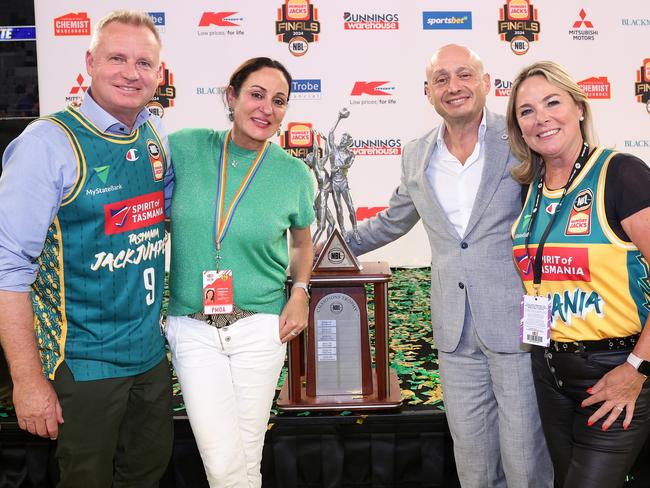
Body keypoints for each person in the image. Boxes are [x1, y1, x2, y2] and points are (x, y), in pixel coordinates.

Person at [346, 44, 552, 487]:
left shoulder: (520, 138)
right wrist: (331, 247)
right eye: (442, 79)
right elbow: (393, 220)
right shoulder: (416, 155)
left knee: (525, 457)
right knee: (473, 459)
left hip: (516, 325)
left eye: (464, 75)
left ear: (485, 82)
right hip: (454, 334)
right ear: (427, 91)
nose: (453, 87)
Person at [0, 10, 173, 487]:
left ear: (159, 75)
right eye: (117, 57)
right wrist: (28, 382)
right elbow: (8, 272)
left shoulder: (154, 137)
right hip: (83, 364)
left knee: (145, 475)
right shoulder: (47, 144)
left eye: (144, 63)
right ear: (90, 62)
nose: (130, 72)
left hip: (149, 360)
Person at [165, 57, 314, 488]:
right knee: (222, 456)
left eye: (279, 100)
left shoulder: (293, 174)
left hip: (261, 328)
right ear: (231, 97)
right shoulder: (187, 147)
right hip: (192, 326)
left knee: (247, 453)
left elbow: (302, 243)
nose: (267, 108)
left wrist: (300, 291)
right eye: (256, 94)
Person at [508, 60, 650, 488]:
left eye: (553, 102)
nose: (541, 118)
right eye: (526, 111)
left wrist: (635, 370)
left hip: (615, 370)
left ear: (581, 108)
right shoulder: (528, 187)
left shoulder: (622, 174)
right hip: (550, 373)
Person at [328, 108, 361, 243]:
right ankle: (343, 232)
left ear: (348, 142)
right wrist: (339, 118)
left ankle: (355, 231)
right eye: (342, 138)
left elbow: (348, 166)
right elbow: (330, 133)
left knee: (351, 208)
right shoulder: (334, 149)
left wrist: (338, 167)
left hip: (344, 183)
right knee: (339, 210)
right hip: (334, 183)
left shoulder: (351, 154)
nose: (342, 141)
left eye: (344, 139)